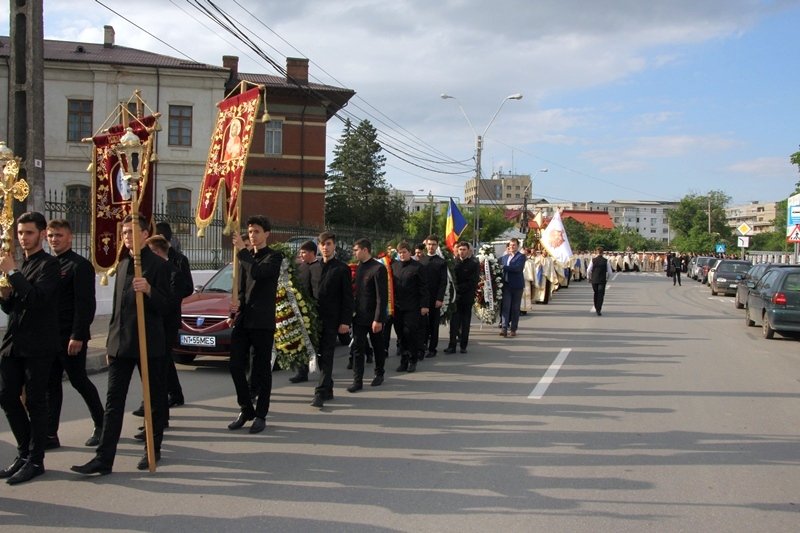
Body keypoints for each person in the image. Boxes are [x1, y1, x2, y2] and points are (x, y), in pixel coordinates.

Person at [71, 213, 172, 475]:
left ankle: (152, 448)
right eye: (124, 232)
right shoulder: (124, 263)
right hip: (121, 345)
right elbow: (117, 309)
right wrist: (110, 344)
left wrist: (149, 290)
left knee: (153, 400)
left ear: (145, 234)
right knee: (114, 403)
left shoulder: (159, 266)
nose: (126, 237)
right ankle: (104, 459)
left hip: (149, 345)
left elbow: (167, 306)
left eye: (131, 231)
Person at [0, 212, 61, 485]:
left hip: (39, 344)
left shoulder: (50, 265)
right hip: (14, 342)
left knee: (35, 401)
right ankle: (24, 452)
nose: (23, 238)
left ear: (41, 234)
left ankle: (36, 460)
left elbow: (37, 299)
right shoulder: (22, 265)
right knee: (6, 395)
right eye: (20, 233)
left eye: (29, 233)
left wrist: (12, 273)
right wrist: (4, 295)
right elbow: (14, 307)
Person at [44, 219, 104, 451]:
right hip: (50, 336)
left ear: (69, 237)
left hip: (70, 337)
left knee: (79, 381)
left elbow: (86, 304)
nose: (54, 240)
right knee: (51, 385)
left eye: (59, 235)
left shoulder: (79, 265)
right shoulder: (48, 264)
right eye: (51, 235)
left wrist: (78, 334)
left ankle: (101, 424)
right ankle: (50, 433)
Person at [226, 215, 282, 433]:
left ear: (266, 234)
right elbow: (242, 290)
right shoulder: (246, 258)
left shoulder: (273, 257)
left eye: (256, 231)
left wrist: (242, 252)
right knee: (235, 365)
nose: (252, 235)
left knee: (261, 369)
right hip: (244, 320)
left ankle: (261, 414)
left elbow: (258, 274)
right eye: (250, 232)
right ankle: (246, 407)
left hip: (262, 321)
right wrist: (235, 309)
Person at [311, 232, 353, 408]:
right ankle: (328, 388)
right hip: (315, 320)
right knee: (319, 355)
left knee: (327, 354)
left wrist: (345, 321)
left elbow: (347, 297)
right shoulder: (315, 267)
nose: (325, 247)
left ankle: (320, 392)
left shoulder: (342, 269)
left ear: (334, 245)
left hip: (332, 319)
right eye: (322, 244)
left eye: (328, 244)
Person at [349, 238, 388, 392]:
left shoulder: (378, 268)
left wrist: (378, 319)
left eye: (356, 250)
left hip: (373, 317)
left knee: (378, 346)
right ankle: (357, 381)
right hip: (359, 316)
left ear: (365, 250)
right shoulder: (359, 267)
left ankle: (379, 373)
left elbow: (381, 297)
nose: (354, 253)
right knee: (358, 348)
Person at [391, 241, 429, 372]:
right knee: (400, 334)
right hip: (398, 306)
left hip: (413, 306)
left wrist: (424, 305)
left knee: (410, 333)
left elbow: (424, 287)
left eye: (404, 252)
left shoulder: (418, 267)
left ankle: (413, 359)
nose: (402, 255)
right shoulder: (394, 266)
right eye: (400, 252)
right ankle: (404, 360)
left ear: (409, 252)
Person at [289, 240, 321, 384]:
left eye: (304, 252)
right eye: (300, 252)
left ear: (312, 253)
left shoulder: (319, 267)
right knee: (301, 342)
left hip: (315, 310)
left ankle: (323, 368)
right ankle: (302, 372)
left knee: (315, 342)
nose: (301, 255)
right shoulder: (300, 268)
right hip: (301, 309)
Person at [445, 241, 479, 354]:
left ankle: (463, 345)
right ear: (457, 250)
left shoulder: (473, 264)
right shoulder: (453, 263)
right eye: (460, 249)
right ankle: (452, 345)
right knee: (454, 322)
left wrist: (458, 288)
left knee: (465, 322)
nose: (462, 252)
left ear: (468, 251)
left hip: (467, 297)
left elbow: (473, 281)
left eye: (464, 250)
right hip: (455, 298)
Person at [419, 234, 447, 358]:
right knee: (422, 324)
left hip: (435, 297)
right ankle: (422, 345)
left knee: (434, 324)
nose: (431, 246)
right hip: (423, 298)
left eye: (433, 244)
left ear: (437, 246)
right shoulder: (421, 261)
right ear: (426, 245)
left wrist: (440, 298)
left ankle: (432, 348)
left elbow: (443, 282)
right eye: (429, 244)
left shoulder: (441, 262)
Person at [499, 238, 526, 337]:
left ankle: (513, 329)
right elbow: (496, 263)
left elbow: (517, 268)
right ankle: (504, 328)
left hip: (517, 286)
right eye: (510, 245)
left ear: (518, 246)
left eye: (514, 245)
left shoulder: (521, 256)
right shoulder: (504, 257)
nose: (512, 247)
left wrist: (504, 267)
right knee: (505, 307)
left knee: (515, 308)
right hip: (506, 285)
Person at [586, 246, 613, 316]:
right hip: (602, 280)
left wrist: (589, 277)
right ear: (602, 252)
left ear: (596, 252)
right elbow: (610, 272)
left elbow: (588, 270)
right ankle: (599, 309)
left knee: (596, 293)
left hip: (594, 280)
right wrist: (607, 278)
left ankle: (596, 306)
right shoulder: (606, 261)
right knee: (601, 294)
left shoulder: (593, 260)